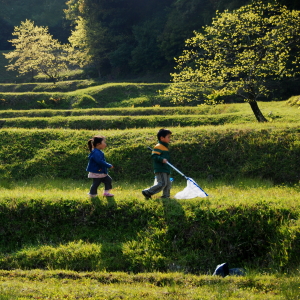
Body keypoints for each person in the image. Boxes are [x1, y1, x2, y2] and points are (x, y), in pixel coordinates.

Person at [142, 128, 172, 199]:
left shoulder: (165, 147)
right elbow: (154, 156)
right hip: (160, 168)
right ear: (162, 138)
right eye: (168, 137)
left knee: (168, 183)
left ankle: (166, 196)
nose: (169, 139)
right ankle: (147, 192)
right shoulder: (158, 146)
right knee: (162, 183)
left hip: (166, 168)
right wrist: (162, 159)